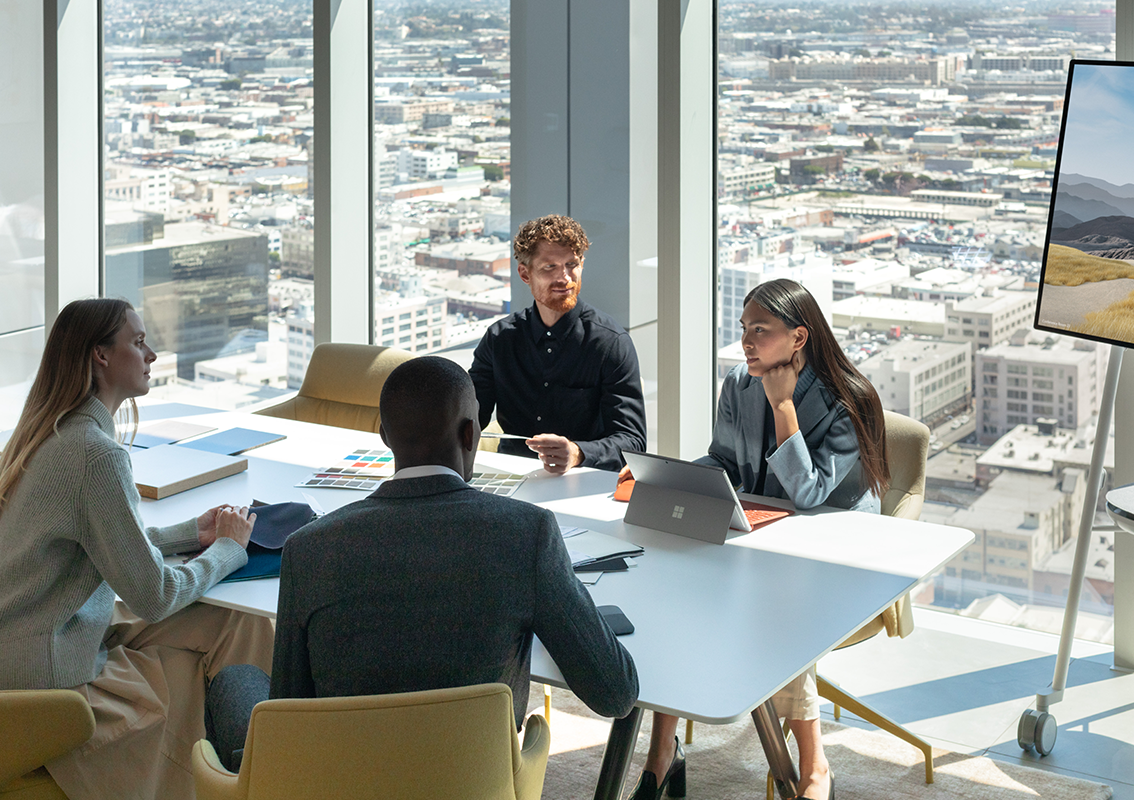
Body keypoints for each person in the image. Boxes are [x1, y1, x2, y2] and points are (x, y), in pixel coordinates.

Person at [219, 357, 639, 744]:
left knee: (234, 682)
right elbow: (615, 694)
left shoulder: (308, 549)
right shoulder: (527, 533)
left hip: (345, 779)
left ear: (384, 436)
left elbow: (290, 710)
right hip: (477, 782)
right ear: (470, 433)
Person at [0, 298, 271, 800]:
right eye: (138, 341)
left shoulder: (57, 431)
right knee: (221, 636)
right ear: (101, 356)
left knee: (238, 621)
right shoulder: (95, 454)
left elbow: (98, 544)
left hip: (10, 647)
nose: (151, 353)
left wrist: (188, 534)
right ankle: (240, 775)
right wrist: (227, 551)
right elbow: (152, 595)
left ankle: (240, 771)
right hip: (44, 679)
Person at [629, 277, 891, 800]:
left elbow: (811, 493)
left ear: (798, 338)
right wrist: (670, 476)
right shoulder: (739, 383)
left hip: (831, 552)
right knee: (676, 594)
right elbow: (724, 462)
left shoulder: (847, 400)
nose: (747, 342)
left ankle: (815, 769)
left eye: (761, 331)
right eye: (744, 329)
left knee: (772, 615)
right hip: (761, 537)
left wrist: (784, 406)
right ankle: (662, 755)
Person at [471, 214, 647, 475]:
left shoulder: (611, 344)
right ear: (524, 273)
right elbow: (466, 420)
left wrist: (578, 452)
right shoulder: (499, 340)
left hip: (584, 482)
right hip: (511, 478)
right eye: (549, 267)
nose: (564, 278)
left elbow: (633, 442)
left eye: (571, 264)